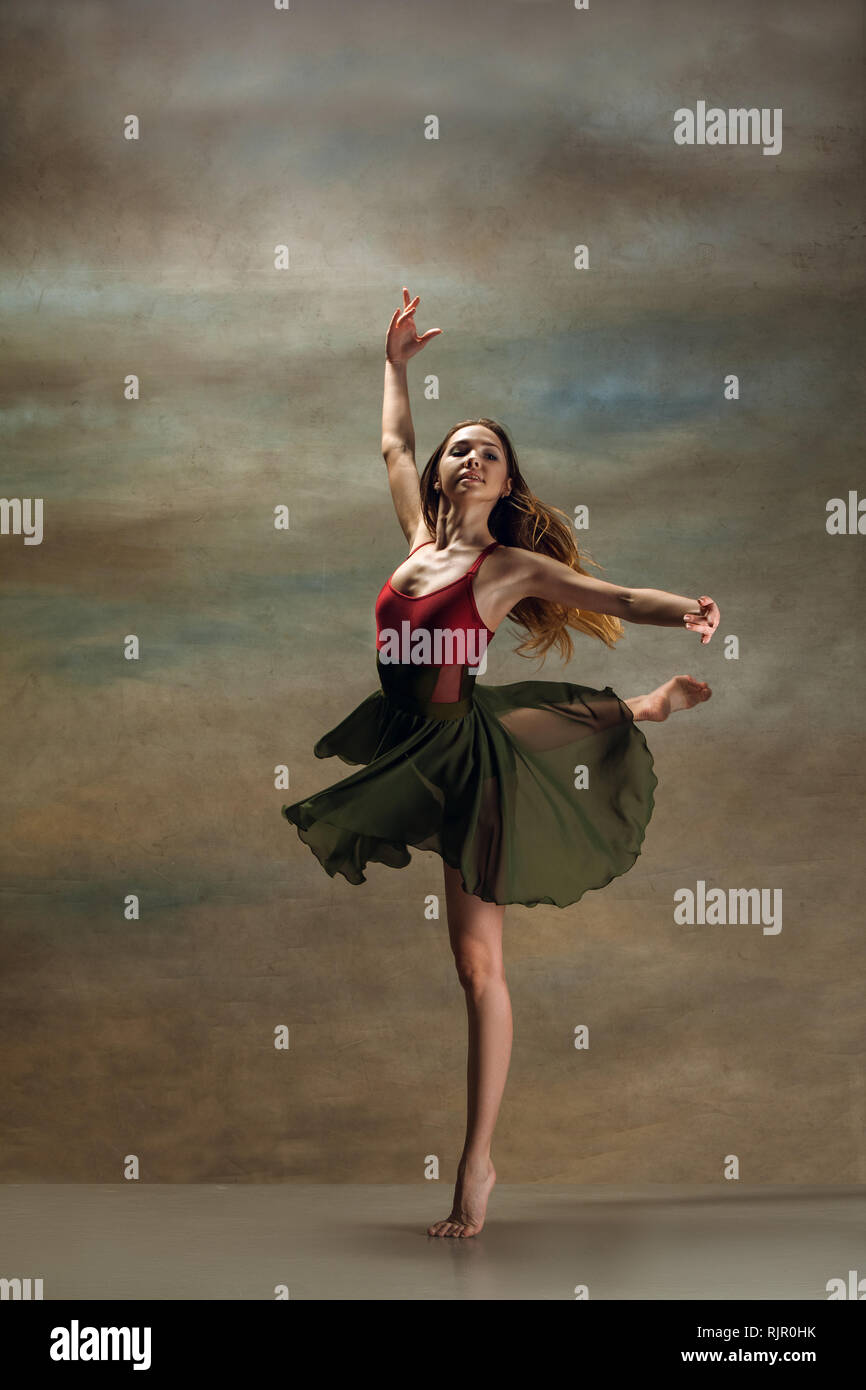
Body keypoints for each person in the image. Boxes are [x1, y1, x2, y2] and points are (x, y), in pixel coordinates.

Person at [283, 288, 719, 1238]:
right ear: (444, 474)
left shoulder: (508, 570)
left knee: (479, 972)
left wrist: (686, 605)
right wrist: (394, 365)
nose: (468, 455)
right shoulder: (415, 542)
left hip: (463, 756)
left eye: (489, 450)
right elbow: (394, 447)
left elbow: (614, 592)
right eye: (460, 445)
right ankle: (641, 707)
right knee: (526, 728)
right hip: (411, 740)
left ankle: (477, 1164)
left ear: (505, 484)